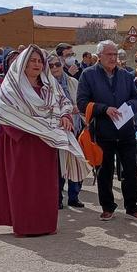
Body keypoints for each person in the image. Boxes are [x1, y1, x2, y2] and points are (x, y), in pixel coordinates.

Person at [0, 45, 87, 237]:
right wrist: (33, 126)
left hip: (46, 143)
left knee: (46, 186)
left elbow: (64, 103)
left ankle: (46, 224)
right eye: (32, 61)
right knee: (22, 186)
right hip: (20, 142)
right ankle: (25, 225)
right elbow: (3, 112)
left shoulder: (50, 85)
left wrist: (66, 117)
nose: (36, 64)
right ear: (23, 64)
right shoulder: (12, 86)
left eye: (39, 61)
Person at [76, 40, 137, 220]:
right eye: (109, 55)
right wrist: (104, 109)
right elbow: (81, 102)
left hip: (126, 131)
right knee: (104, 171)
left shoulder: (126, 75)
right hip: (103, 131)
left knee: (130, 170)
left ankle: (132, 206)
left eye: (116, 55)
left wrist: (129, 105)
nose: (114, 58)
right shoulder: (88, 75)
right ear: (99, 56)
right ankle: (107, 206)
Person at [48, 52, 84, 209]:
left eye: (57, 64)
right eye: (51, 66)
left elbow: (82, 101)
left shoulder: (73, 82)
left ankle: (74, 197)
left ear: (62, 64)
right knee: (59, 167)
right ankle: (57, 198)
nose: (55, 68)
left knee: (76, 162)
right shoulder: (46, 85)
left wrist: (77, 108)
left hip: (75, 128)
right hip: (57, 131)